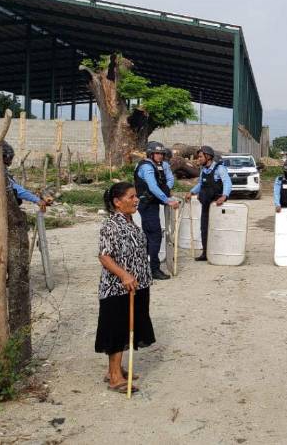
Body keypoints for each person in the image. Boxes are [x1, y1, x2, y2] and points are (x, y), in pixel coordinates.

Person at [95, 182, 156, 394]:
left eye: (135, 196)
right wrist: (124, 275)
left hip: (136, 285)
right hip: (117, 288)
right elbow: (104, 255)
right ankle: (114, 377)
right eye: (131, 197)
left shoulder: (130, 221)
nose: (136, 200)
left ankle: (116, 368)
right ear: (117, 202)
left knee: (127, 328)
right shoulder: (111, 225)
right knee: (117, 330)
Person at [134, 141, 179, 280]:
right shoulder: (146, 167)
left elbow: (170, 179)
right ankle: (153, 269)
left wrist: (165, 188)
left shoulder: (162, 165)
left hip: (154, 204)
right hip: (147, 204)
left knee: (149, 236)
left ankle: (144, 267)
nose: (160, 156)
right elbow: (152, 187)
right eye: (157, 153)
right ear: (150, 154)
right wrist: (167, 200)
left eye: (161, 153)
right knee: (154, 236)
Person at [0, 141, 48, 212]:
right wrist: (36, 199)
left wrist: (36, 198)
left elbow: (13, 186)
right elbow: (12, 188)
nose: (8, 165)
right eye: (6, 162)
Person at [185, 146, 232, 261]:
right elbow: (200, 184)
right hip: (205, 205)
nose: (198, 159)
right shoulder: (203, 170)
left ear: (208, 157)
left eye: (200, 157)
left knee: (217, 228)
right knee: (204, 228)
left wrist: (224, 196)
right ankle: (205, 253)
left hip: (217, 205)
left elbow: (227, 182)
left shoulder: (219, 168)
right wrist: (191, 192)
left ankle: (219, 253)